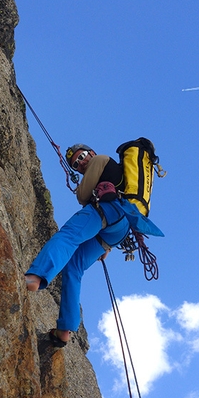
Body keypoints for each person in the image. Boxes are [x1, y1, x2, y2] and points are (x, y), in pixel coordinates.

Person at [25, 144, 164, 347]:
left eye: (81, 157)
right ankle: (65, 329)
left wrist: (83, 185)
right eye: (76, 165)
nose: (80, 163)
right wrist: (106, 247)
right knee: (74, 267)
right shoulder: (108, 171)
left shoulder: (100, 160)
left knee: (68, 236)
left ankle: (35, 276)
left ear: (91, 152)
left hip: (106, 211)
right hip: (118, 227)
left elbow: (82, 196)